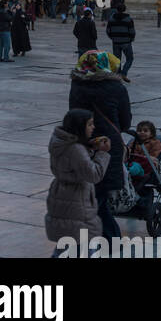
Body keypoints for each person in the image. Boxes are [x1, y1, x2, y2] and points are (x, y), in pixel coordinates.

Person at [68, 51, 131, 240]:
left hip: (83, 144)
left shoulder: (76, 85)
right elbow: (125, 122)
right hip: (106, 145)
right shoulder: (116, 87)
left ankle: (104, 239)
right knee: (98, 195)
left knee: (93, 194)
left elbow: (72, 115)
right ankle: (111, 239)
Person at [45, 108, 111, 257]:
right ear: (80, 126)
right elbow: (94, 174)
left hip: (61, 195)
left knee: (67, 243)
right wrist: (102, 153)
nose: (93, 127)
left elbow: (74, 165)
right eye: (90, 124)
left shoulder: (60, 142)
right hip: (77, 200)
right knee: (83, 244)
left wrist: (90, 148)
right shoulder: (76, 149)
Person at [106, 2, 136, 75]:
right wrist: (131, 38)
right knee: (130, 58)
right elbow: (132, 31)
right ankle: (123, 73)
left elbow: (108, 31)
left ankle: (118, 73)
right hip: (126, 42)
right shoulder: (128, 19)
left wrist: (113, 38)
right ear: (124, 9)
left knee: (117, 60)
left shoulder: (111, 19)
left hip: (115, 42)